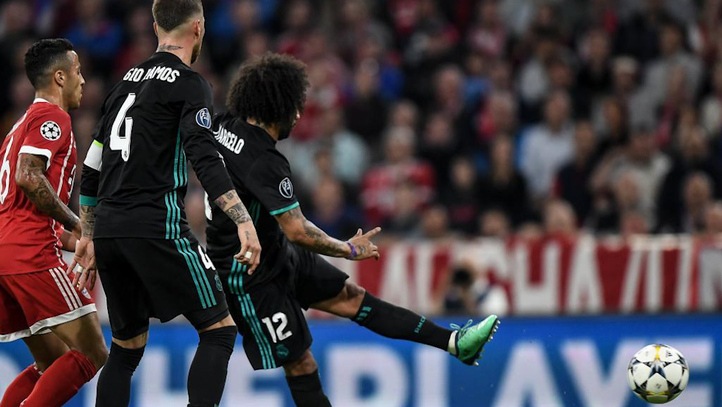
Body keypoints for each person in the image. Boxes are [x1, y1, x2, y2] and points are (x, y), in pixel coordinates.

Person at [206, 53, 500, 407]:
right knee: (301, 362)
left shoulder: (224, 125)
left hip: (275, 248)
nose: (297, 115)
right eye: (294, 106)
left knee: (352, 297)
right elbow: (298, 230)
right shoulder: (263, 161)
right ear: (275, 105)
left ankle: (455, 343)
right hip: (249, 274)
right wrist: (348, 249)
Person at [75, 1, 262, 406]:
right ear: (198, 28)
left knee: (126, 348)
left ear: (156, 26)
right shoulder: (190, 83)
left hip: (109, 230)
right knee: (219, 330)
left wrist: (88, 234)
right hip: (157, 226)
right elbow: (204, 156)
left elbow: (91, 167)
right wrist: (242, 218)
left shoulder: (123, 83)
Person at [0, 38, 107, 407]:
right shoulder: (52, 118)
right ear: (60, 77)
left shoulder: (17, 128)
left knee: (51, 361)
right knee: (93, 351)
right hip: (30, 255)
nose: (83, 80)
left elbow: (17, 209)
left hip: (7, 254)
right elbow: (29, 178)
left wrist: (74, 240)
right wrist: (78, 224)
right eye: (77, 71)